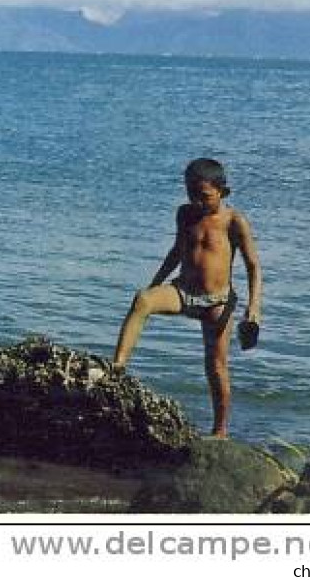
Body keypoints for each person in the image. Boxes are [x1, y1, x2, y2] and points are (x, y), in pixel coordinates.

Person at [111, 158, 264, 437]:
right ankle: (117, 368)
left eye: (204, 196)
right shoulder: (185, 214)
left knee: (216, 366)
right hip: (183, 292)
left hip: (217, 302)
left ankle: (220, 431)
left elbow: (253, 266)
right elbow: (177, 251)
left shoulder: (234, 221)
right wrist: (155, 284)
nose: (197, 202)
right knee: (142, 301)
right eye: (191, 194)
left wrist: (253, 310)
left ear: (222, 192)